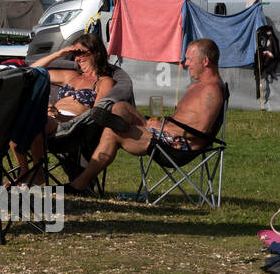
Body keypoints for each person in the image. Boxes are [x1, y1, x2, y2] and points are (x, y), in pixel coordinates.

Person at [67, 38, 224, 193]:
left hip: (178, 146)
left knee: (111, 132)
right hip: (167, 134)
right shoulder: (197, 86)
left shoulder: (212, 90)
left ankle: (80, 183)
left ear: (205, 61)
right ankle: (109, 118)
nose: (186, 63)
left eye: (190, 59)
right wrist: (159, 124)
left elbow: (201, 131)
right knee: (121, 107)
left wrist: (164, 128)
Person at [17, 34, 116, 182]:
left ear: (96, 53)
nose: (77, 58)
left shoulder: (104, 82)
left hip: (73, 124)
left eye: (81, 53)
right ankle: (24, 172)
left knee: (34, 122)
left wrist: (61, 117)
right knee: (16, 123)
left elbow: (97, 116)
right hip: (50, 118)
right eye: (75, 54)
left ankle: (37, 174)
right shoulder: (71, 76)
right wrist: (58, 54)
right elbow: (32, 72)